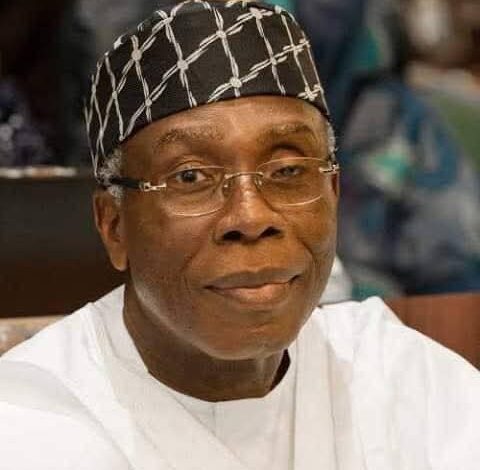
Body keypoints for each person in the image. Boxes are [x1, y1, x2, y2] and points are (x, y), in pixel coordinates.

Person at [0, 1, 479, 468]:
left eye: (288, 170)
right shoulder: (31, 421)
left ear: (333, 192)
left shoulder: (400, 378)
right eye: (190, 177)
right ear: (114, 225)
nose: (250, 217)